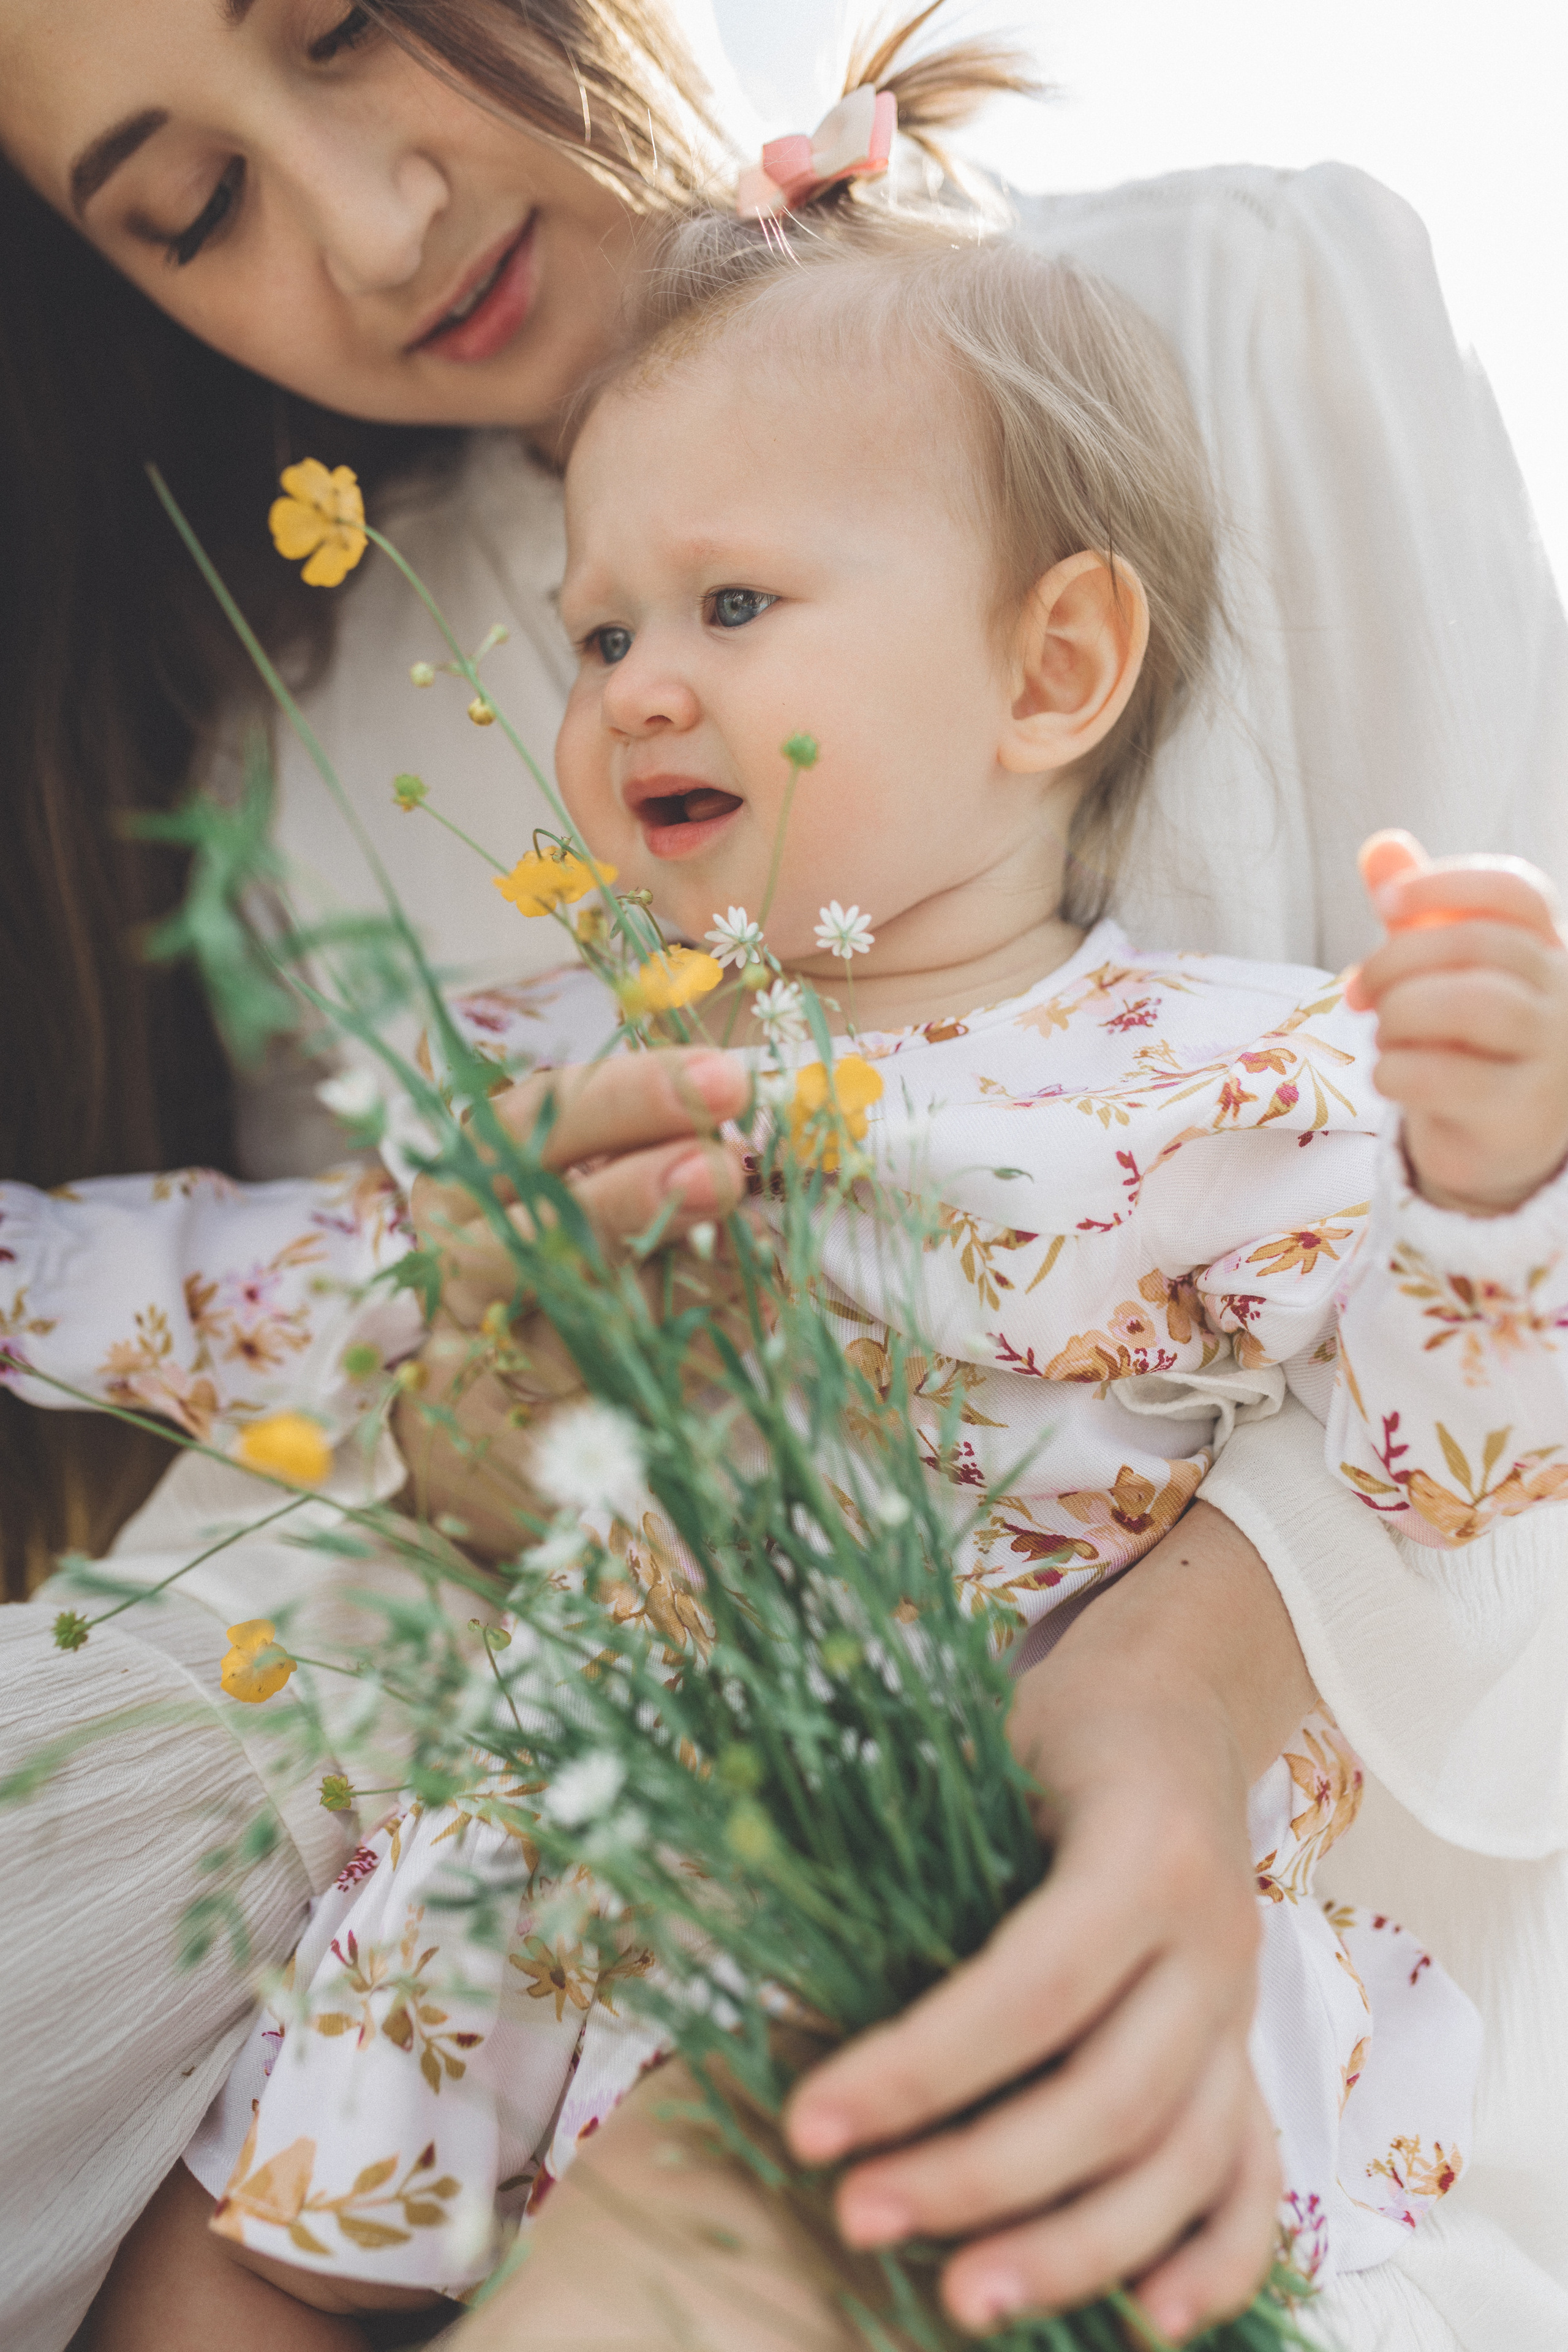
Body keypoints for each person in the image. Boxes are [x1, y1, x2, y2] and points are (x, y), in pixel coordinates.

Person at [0, 8, 1562, 2351]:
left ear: (1056, 669)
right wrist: (430, 1405)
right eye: (189, 209)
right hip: (522, 1868)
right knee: (223, 2259)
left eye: (348, 28)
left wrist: (1485, 1188)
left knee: (731, 2205)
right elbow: (291, 1294)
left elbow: (1458, 1411)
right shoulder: (464, 916)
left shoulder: (1205, 1063)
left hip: (934, 1881)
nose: (374, 224)